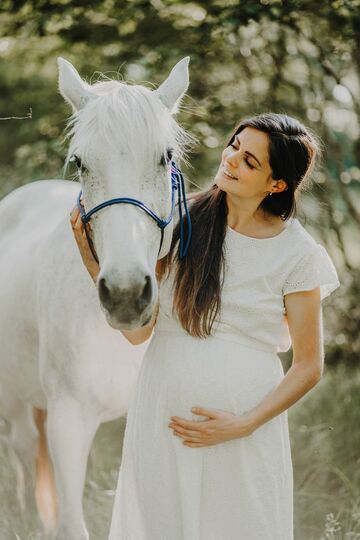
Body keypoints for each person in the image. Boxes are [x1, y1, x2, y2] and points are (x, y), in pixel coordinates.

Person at [70, 112, 340, 540]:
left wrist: (245, 423)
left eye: (251, 161)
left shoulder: (298, 253)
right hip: (162, 417)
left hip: (243, 431)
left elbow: (308, 366)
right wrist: (91, 261)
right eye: (235, 146)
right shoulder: (179, 224)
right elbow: (140, 332)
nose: (232, 160)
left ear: (277, 184)